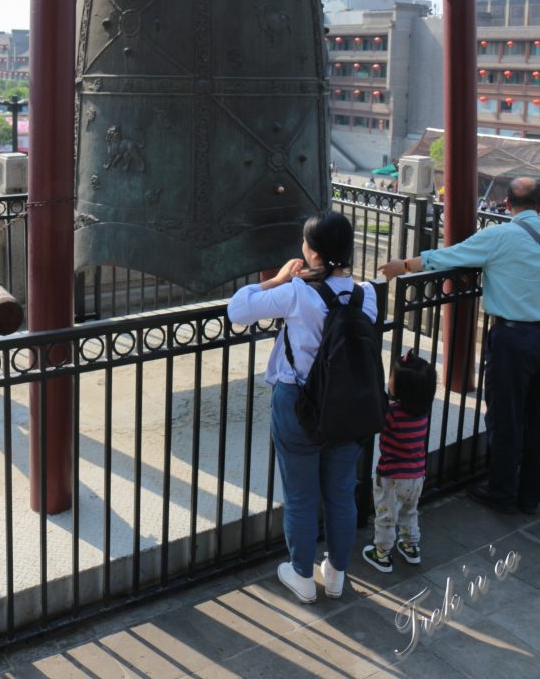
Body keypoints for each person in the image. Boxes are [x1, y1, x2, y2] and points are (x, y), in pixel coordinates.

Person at [227, 211, 377, 603]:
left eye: (306, 243)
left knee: (301, 496)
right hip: (348, 408)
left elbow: (238, 310)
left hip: (298, 404)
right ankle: (338, 574)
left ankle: (302, 577)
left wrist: (277, 279)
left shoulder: (296, 293)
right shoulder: (368, 295)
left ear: (314, 253)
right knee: (341, 494)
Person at [380, 176, 540, 514]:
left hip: (514, 339)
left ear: (507, 205)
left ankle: (501, 491)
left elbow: (451, 256)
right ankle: (530, 495)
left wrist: (405, 265)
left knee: (507, 416)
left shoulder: (501, 235)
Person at [362, 351, 437, 572]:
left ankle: (382, 554)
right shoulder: (422, 414)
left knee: (386, 516)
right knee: (409, 511)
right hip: (416, 476)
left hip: (392, 478)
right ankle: (411, 546)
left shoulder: (392, 413)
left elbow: (374, 423)